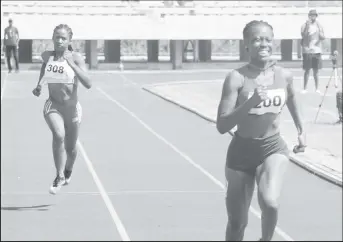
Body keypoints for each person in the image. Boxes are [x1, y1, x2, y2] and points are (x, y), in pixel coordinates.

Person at [216, 20, 306, 241]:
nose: (263, 44)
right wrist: (250, 102)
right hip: (241, 153)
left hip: (272, 147)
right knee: (237, 223)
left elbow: (292, 97)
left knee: (271, 203)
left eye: (267, 39)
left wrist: (301, 129)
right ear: (246, 45)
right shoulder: (236, 78)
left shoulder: (283, 75)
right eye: (256, 39)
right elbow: (222, 125)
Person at [32, 24, 92, 195]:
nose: (59, 40)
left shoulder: (76, 57)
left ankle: (67, 171)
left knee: (71, 149)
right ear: (52, 37)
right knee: (59, 135)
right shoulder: (47, 56)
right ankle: (58, 176)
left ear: (69, 40)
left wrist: (72, 64)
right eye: (57, 37)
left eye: (63, 38)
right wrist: (39, 86)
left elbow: (88, 83)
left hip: (72, 109)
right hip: (53, 105)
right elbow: (45, 69)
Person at [300, 9, 325, 94]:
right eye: (311, 15)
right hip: (307, 51)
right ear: (309, 16)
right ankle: (304, 88)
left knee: (316, 71)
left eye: (314, 15)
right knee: (307, 70)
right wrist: (307, 26)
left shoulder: (319, 25)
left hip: (317, 51)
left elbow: (322, 37)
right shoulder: (304, 25)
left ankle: (317, 88)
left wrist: (320, 32)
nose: (313, 17)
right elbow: (304, 36)